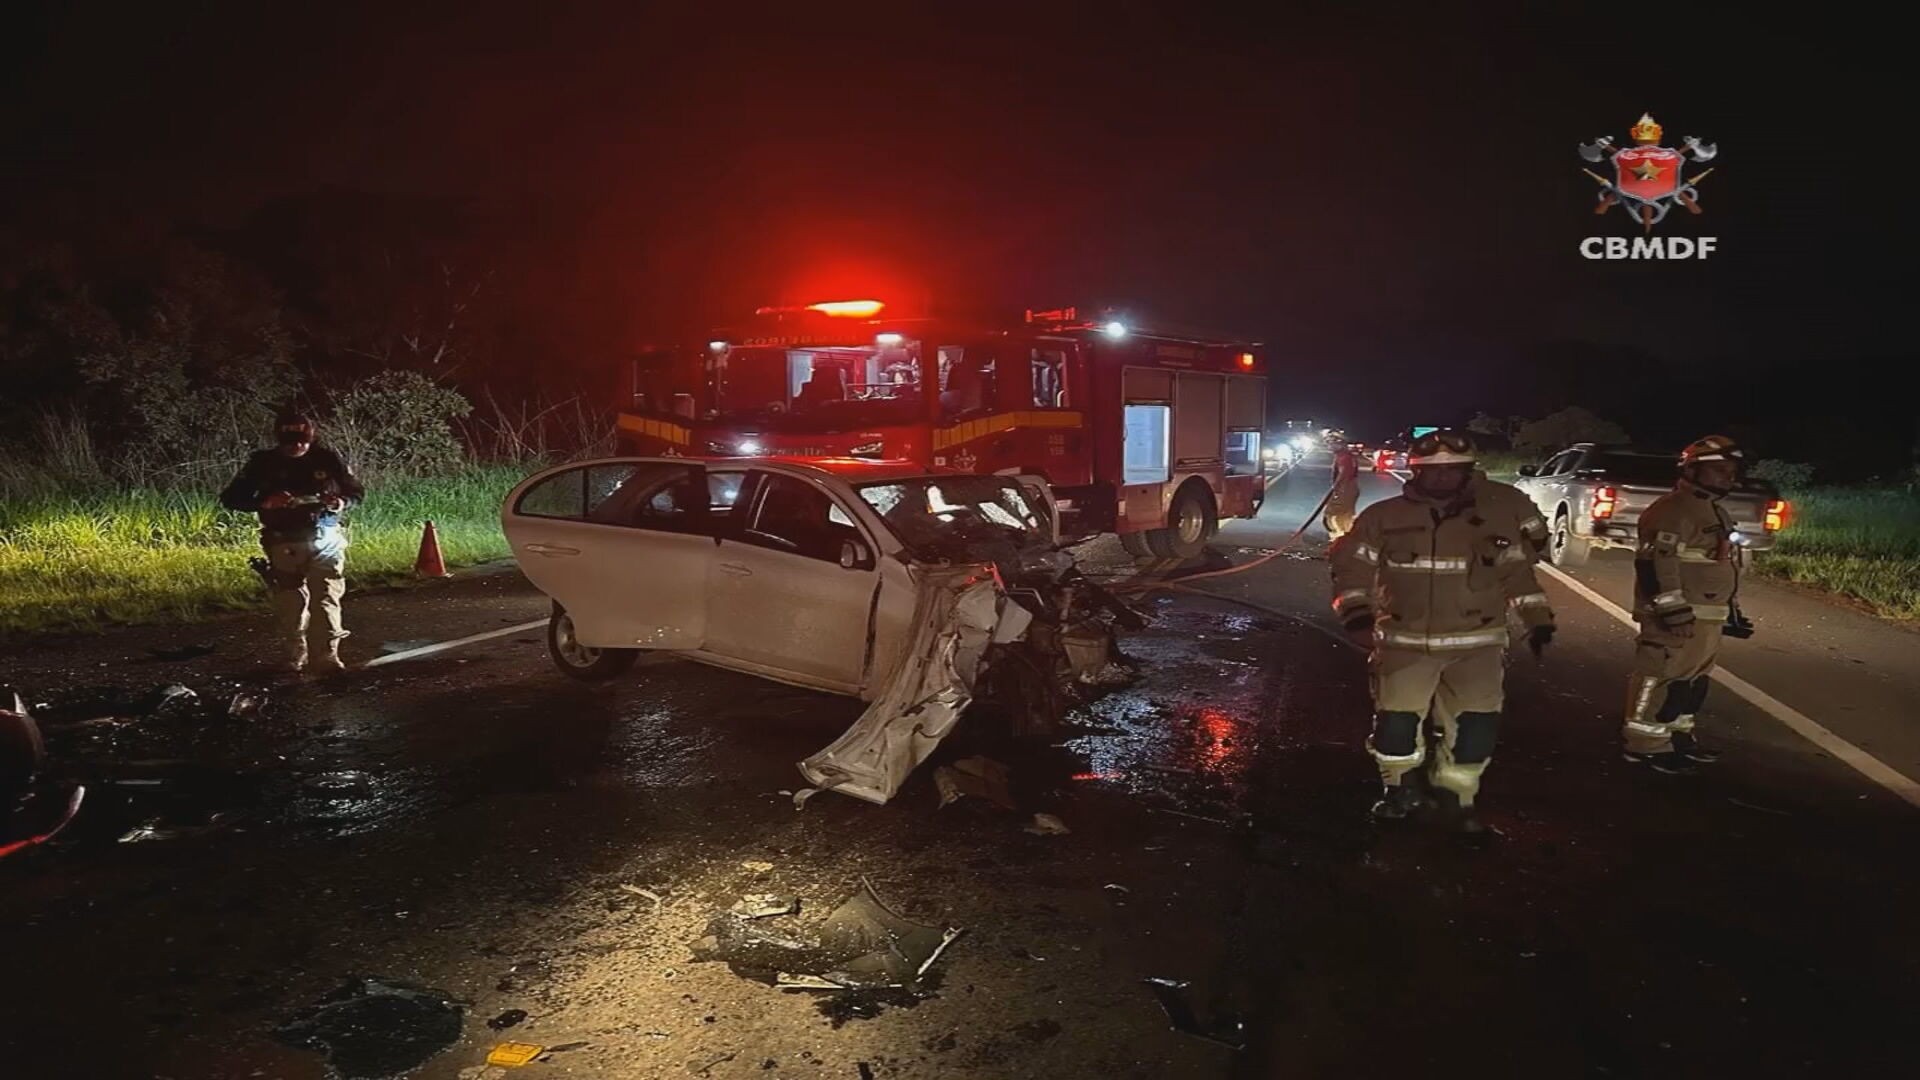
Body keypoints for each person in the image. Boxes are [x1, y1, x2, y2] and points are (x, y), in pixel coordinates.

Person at [1330, 429, 1555, 835]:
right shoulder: (1383, 518)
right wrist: (1357, 615)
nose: (1441, 478)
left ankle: (1457, 799)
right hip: (1403, 644)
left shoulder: (1495, 517)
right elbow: (1351, 570)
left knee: (1475, 730)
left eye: (1452, 470)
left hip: (1478, 646)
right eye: (1431, 471)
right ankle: (1399, 790)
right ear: (1414, 472)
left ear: (1468, 472)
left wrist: (1538, 618)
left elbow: (1518, 574)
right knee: (1395, 728)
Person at [1622, 435, 1746, 773]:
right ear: (1692, 470)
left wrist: (1731, 611)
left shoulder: (1714, 510)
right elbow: (1655, 565)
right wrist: (1672, 610)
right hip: (1676, 618)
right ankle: (1644, 744)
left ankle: (1678, 738)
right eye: (1719, 470)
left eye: (1731, 470)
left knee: (1690, 684)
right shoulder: (1671, 511)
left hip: (1707, 617)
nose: (1728, 477)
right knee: (1658, 677)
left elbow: (1719, 563)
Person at [220, 409, 364, 674]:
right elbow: (230, 498)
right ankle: (294, 654)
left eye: (303, 441)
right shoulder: (262, 463)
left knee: (326, 596)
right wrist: (264, 501)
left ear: (311, 437)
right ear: (279, 439)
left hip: (325, 537)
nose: (297, 446)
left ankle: (327, 656)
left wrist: (341, 502)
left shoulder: (328, 459)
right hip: (282, 540)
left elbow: (355, 491)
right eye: (291, 441)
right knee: (291, 602)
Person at [1325, 435, 1360, 540]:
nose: (1329, 446)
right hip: (1348, 488)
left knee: (1333, 513)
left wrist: (1336, 489)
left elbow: (1344, 474)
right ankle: (1343, 536)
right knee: (1345, 514)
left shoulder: (1345, 457)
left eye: (1331, 443)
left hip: (1346, 489)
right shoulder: (1343, 456)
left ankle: (1340, 537)